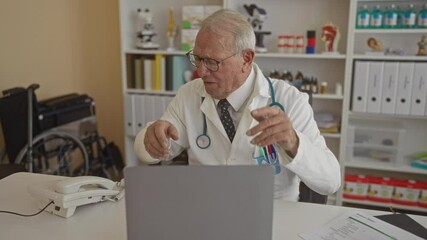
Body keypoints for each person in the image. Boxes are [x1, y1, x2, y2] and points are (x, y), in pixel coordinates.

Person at [134, 9, 341, 200]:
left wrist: (294, 143)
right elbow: (148, 152)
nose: (201, 71)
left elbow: (331, 182)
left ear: (246, 59)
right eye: (197, 59)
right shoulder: (189, 94)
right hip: (206, 212)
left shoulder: (290, 100)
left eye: (212, 62)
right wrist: (151, 138)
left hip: (272, 214)